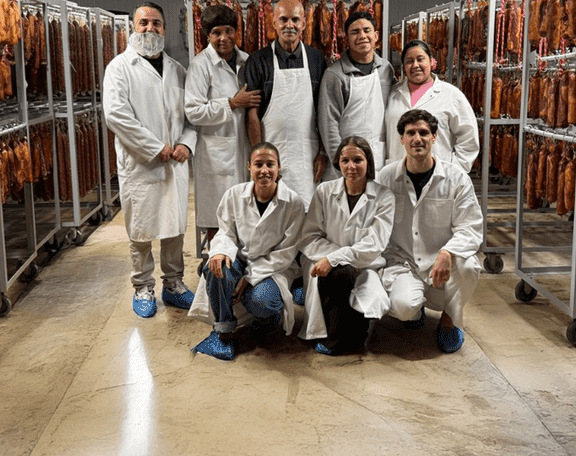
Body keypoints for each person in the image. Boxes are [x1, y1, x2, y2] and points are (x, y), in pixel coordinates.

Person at [102, 2, 197, 318]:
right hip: (141, 164)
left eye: (156, 23)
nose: (150, 28)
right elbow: (117, 115)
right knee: (140, 229)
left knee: (175, 226)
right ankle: (143, 287)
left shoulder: (177, 70)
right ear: (133, 26)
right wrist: (155, 148)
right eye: (143, 23)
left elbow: (190, 117)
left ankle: (174, 284)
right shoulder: (119, 68)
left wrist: (186, 144)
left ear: (164, 29)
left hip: (174, 163)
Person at [378, 108, 483, 353]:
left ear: (434, 137)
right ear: (402, 139)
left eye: (424, 133)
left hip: (442, 264)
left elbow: (471, 227)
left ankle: (449, 319)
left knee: (469, 265)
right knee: (403, 308)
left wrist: (447, 253)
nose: (418, 139)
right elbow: (376, 225)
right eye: (411, 133)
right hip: (403, 263)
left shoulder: (456, 179)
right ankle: (415, 309)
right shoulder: (386, 178)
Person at [189, 142, 306, 360]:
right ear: (249, 166)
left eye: (270, 164)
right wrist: (220, 251)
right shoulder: (234, 195)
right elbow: (226, 232)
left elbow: (285, 253)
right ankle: (223, 332)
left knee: (261, 301)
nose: (264, 170)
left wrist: (249, 278)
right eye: (258, 164)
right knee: (215, 268)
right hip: (241, 257)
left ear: (279, 167)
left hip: (273, 267)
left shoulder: (294, 203)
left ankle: (268, 319)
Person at [299, 136, 394, 355]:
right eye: (345, 160)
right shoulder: (324, 192)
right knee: (339, 274)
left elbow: (375, 243)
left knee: (354, 289)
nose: (351, 166)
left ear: (368, 162)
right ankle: (334, 339)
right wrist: (334, 259)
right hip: (324, 260)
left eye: (358, 160)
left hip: (365, 263)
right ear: (338, 163)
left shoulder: (383, 196)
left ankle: (354, 332)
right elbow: (309, 237)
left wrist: (337, 258)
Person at [185, 4, 261, 241]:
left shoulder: (247, 61)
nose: (223, 38)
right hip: (215, 157)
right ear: (207, 36)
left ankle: (239, 261)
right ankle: (215, 260)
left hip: (244, 150)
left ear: (236, 32)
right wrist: (232, 104)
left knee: (246, 219)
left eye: (228, 31)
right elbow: (193, 112)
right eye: (216, 33)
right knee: (217, 221)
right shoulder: (200, 65)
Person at [243, 0, 327, 209]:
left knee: (307, 214)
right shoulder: (257, 60)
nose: (290, 25)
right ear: (274, 23)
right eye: (283, 19)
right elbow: (252, 113)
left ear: (303, 24)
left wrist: (322, 153)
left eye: (295, 20)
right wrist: (259, 156)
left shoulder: (317, 59)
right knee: (272, 212)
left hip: (308, 156)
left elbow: (324, 113)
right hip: (271, 153)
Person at [318, 11, 395, 180]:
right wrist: (341, 167)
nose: (362, 36)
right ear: (346, 39)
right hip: (347, 165)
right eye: (355, 32)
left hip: (378, 160)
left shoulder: (386, 69)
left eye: (367, 30)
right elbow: (329, 126)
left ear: (376, 36)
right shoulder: (335, 75)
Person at [384, 39, 478, 171]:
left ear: (431, 62)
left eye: (420, 59)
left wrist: (455, 170)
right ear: (404, 67)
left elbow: (468, 137)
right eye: (409, 61)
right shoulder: (392, 93)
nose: (415, 65)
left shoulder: (451, 95)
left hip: (438, 175)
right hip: (397, 173)